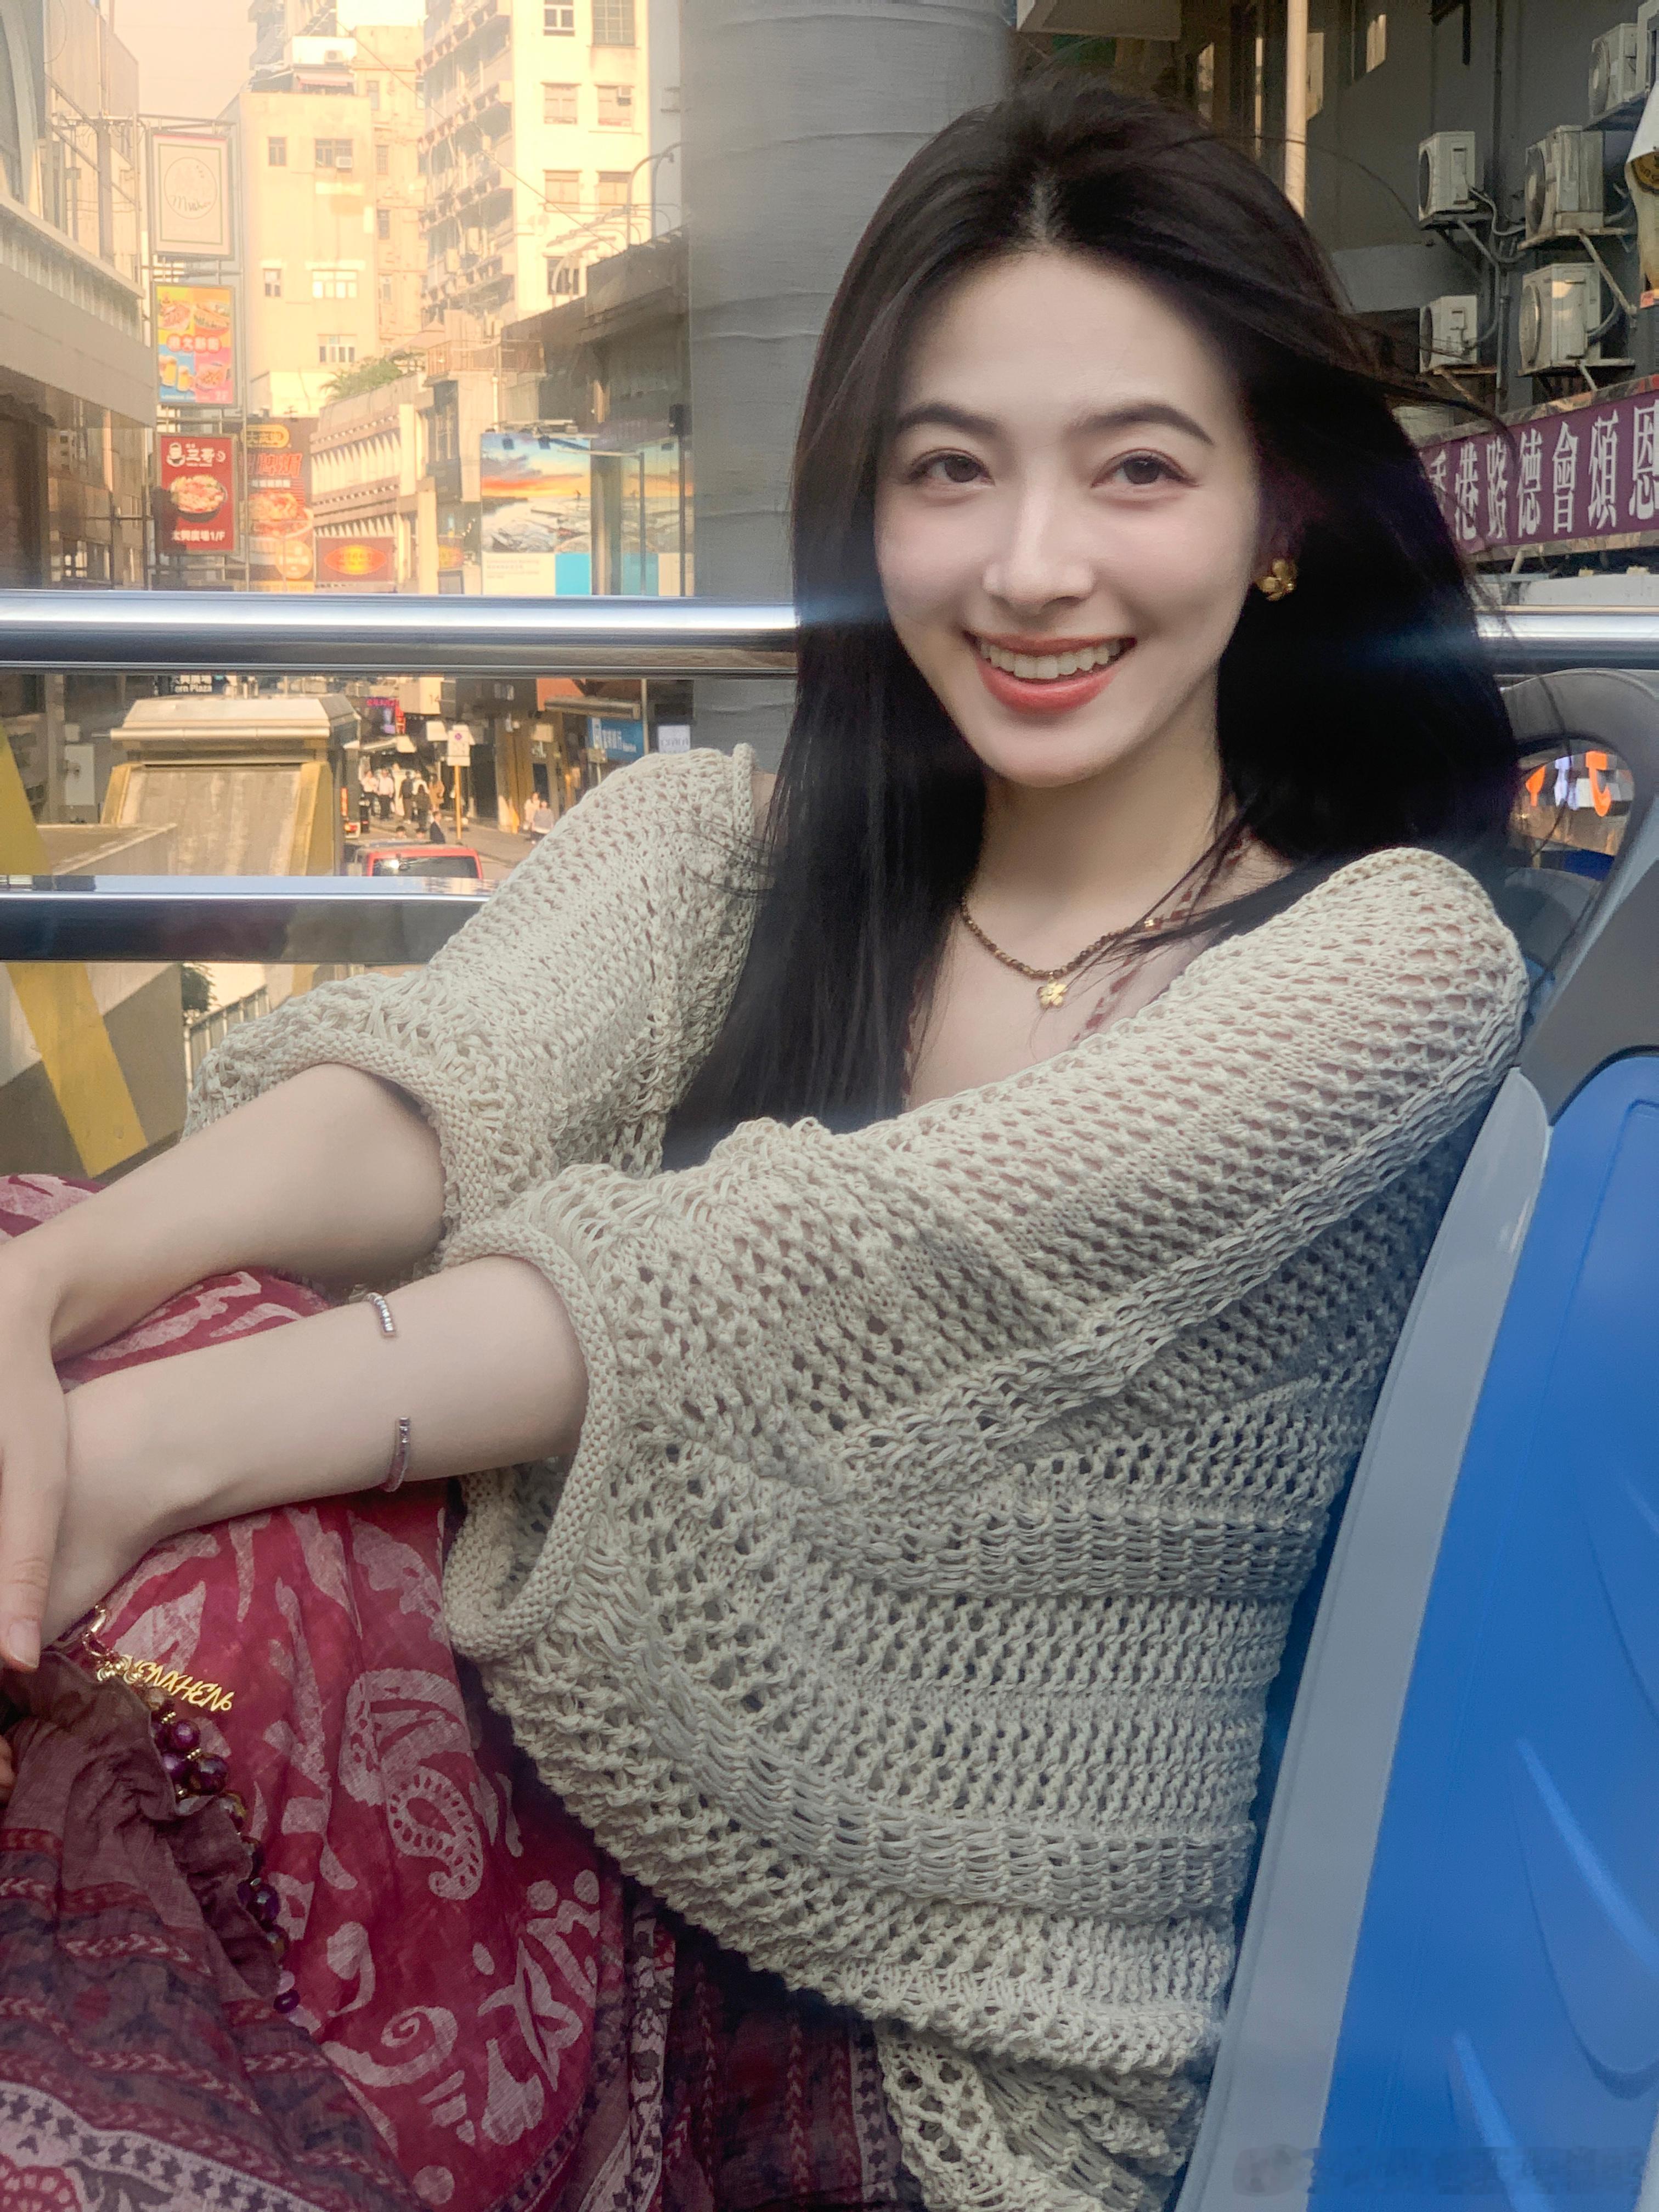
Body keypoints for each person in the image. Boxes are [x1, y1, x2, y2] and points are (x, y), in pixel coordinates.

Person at [0, 78, 1524, 2212]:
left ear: (1278, 510)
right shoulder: (720, 851)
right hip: (578, 1842)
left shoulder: (1386, 965)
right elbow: (445, 1079)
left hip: (947, 2063)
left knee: (182, 1595)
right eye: (950, 470)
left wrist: (139, 1455)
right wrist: (48, 1291)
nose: (1034, 567)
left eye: (1139, 470)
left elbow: (795, 1273)